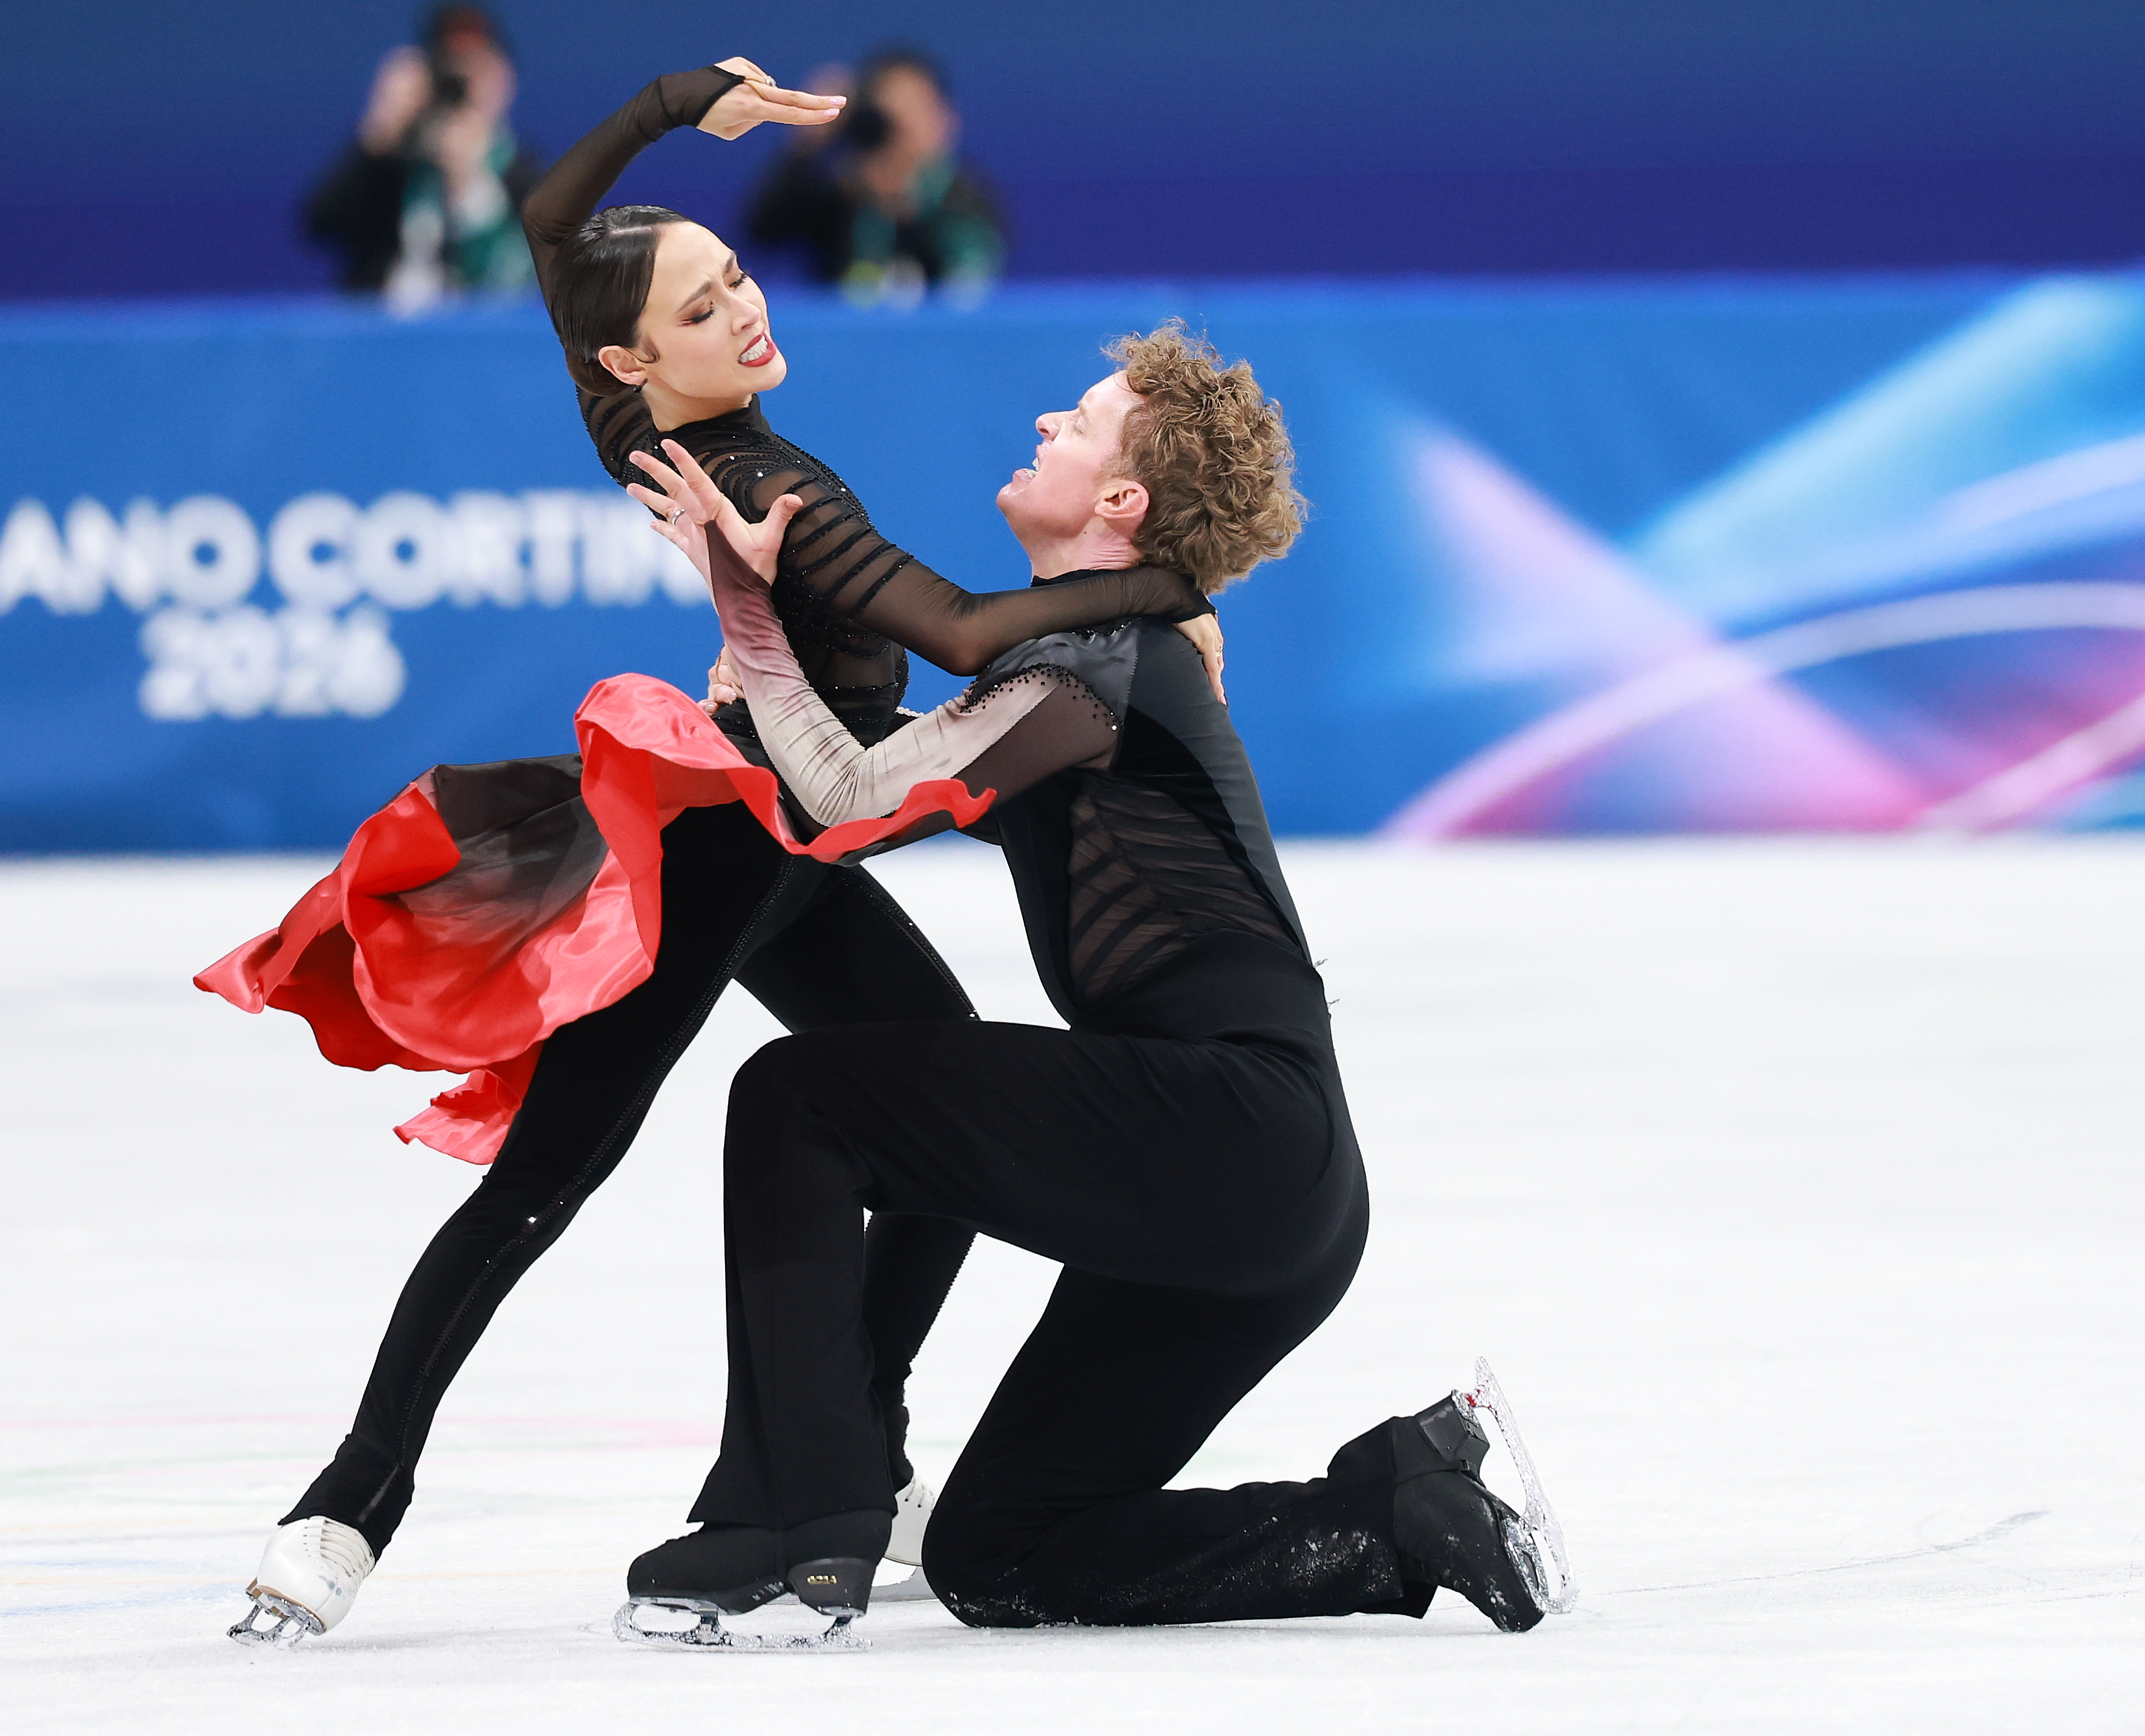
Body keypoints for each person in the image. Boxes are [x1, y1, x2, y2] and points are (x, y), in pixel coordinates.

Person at [208, 58, 1223, 1647]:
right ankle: (346, 1502)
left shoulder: (640, 426)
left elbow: (551, 230)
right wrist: (1164, 587)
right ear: (636, 356)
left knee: (944, 1110)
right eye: (700, 307)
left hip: (790, 842)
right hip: (726, 855)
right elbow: (966, 633)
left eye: (735, 274)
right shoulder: (771, 491)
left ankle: (860, 1449)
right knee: (548, 1177)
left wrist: (688, 103)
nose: (743, 309)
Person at [612, 324, 1574, 1643]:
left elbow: (845, 796)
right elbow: (890, 769)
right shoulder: (1094, 667)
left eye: (1074, 422)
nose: (1043, 428)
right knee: (1001, 1554)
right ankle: (1391, 1511)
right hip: (1275, 1194)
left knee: (800, 1097)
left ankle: (795, 1518)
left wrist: (744, 606)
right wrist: (761, 665)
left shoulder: (1100, 662)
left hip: (1227, 1126)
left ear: (1121, 500)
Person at [302, 5, 538, 309]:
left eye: (477, 68)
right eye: (450, 68)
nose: (462, 83)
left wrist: (468, 174)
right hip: (389, 330)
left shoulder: (527, 178)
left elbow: (546, 264)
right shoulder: (393, 170)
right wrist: (380, 131)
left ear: (504, 78)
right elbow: (320, 225)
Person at [745, 46, 1005, 306]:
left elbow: (972, 284)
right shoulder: (838, 196)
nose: (903, 124)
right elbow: (763, 231)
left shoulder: (966, 200)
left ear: (944, 120)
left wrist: (904, 203)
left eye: (916, 106)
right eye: (890, 110)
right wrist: (807, 142)